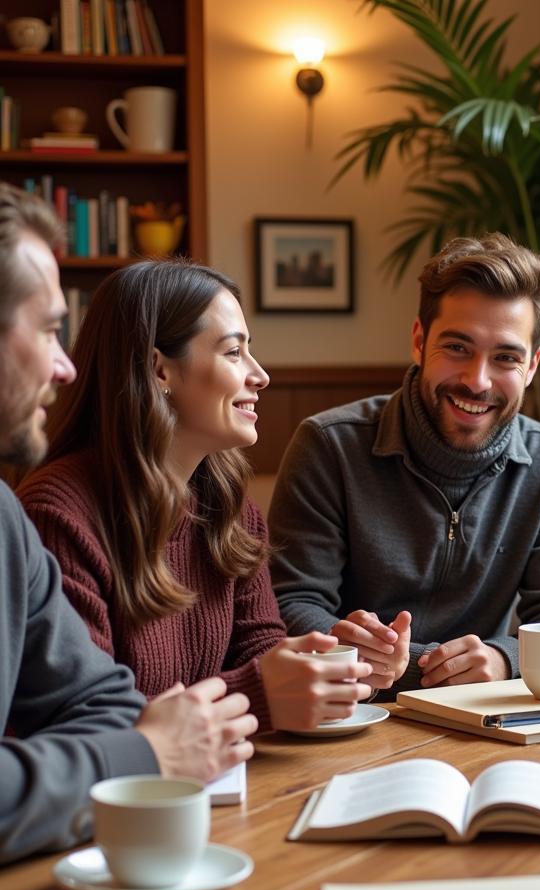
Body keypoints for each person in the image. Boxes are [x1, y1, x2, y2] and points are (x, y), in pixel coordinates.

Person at [0, 184, 256, 867]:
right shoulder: (53, 510)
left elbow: (101, 705)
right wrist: (147, 752)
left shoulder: (3, 518)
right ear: (159, 371)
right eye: (50, 329)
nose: (65, 364)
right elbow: (127, 730)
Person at [17, 261, 373, 734]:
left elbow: (259, 649)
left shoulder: (229, 506)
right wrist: (262, 693)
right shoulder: (57, 515)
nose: (260, 374)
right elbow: (90, 723)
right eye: (233, 352)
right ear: (159, 368)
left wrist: (331, 669)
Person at [269, 233, 540, 691]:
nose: (477, 381)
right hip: (353, 709)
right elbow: (289, 604)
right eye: (458, 348)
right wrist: (357, 650)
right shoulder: (328, 446)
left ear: (532, 366)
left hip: (486, 719)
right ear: (419, 341)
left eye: (505, 357)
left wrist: (505, 659)